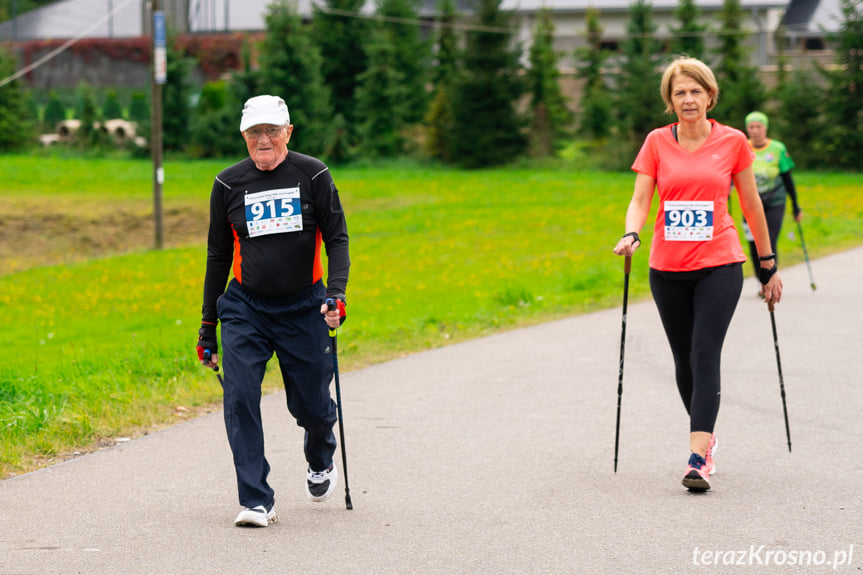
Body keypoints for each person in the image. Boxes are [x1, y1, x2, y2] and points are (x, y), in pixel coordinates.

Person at [612, 57, 782, 492]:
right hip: (666, 267)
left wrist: (767, 263)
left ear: (710, 95)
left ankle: (697, 456)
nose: (688, 99)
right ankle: (706, 437)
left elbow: (751, 205)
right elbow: (639, 199)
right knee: (684, 361)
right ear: (670, 101)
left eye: (695, 91)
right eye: (679, 92)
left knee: (705, 352)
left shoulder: (733, 141)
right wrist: (631, 232)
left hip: (720, 263)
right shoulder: (655, 142)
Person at [196, 95, 350, 526]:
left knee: (314, 408)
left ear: (288, 132)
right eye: (254, 133)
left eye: (272, 131)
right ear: (243, 136)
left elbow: (337, 239)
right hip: (247, 307)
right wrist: (208, 328)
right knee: (240, 395)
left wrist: (335, 295)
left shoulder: (313, 173)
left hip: (305, 306)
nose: (263, 140)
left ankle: (320, 453)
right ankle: (256, 498)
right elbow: (217, 257)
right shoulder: (227, 184)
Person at [742, 111, 802, 289]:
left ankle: (769, 280)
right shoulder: (742, 146)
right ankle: (761, 279)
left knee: (769, 240)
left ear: (765, 128)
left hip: (774, 199)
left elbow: (787, 178)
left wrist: (795, 206)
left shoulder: (777, 148)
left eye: (758, 126)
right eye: (751, 127)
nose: (755, 130)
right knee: (753, 242)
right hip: (750, 201)